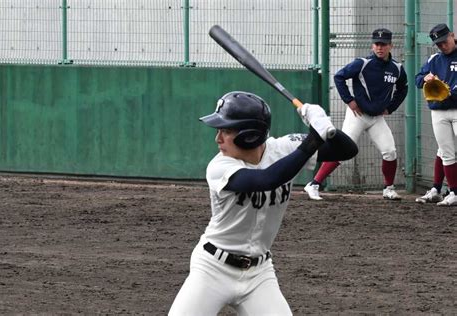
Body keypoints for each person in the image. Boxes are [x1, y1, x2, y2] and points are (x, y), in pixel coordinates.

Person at [169, 91, 357, 315]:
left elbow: (347, 150)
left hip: (259, 274)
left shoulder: (283, 148)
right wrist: (313, 139)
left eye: (226, 131)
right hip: (212, 269)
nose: (217, 139)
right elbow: (266, 180)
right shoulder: (219, 166)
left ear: (249, 135)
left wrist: (323, 123)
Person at [303, 28, 408, 201]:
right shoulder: (363, 63)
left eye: (383, 44)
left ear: (391, 46)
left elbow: (403, 88)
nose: (379, 48)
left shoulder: (396, 68)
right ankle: (314, 184)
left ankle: (388, 188)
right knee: (342, 151)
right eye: (376, 44)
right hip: (357, 115)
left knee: (389, 151)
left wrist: (391, 108)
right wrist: (349, 100)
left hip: (377, 118)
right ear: (372, 45)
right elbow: (339, 77)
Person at [415, 23, 457, 206]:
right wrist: (425, 78)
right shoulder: (434, 59)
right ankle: (453, 192)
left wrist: (451, 92)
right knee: (446, 152)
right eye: (438, 44)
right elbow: (417, 79)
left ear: (452, 35)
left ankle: (442, 190)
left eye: (444, 41)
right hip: (438, 112)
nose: (442, 46)